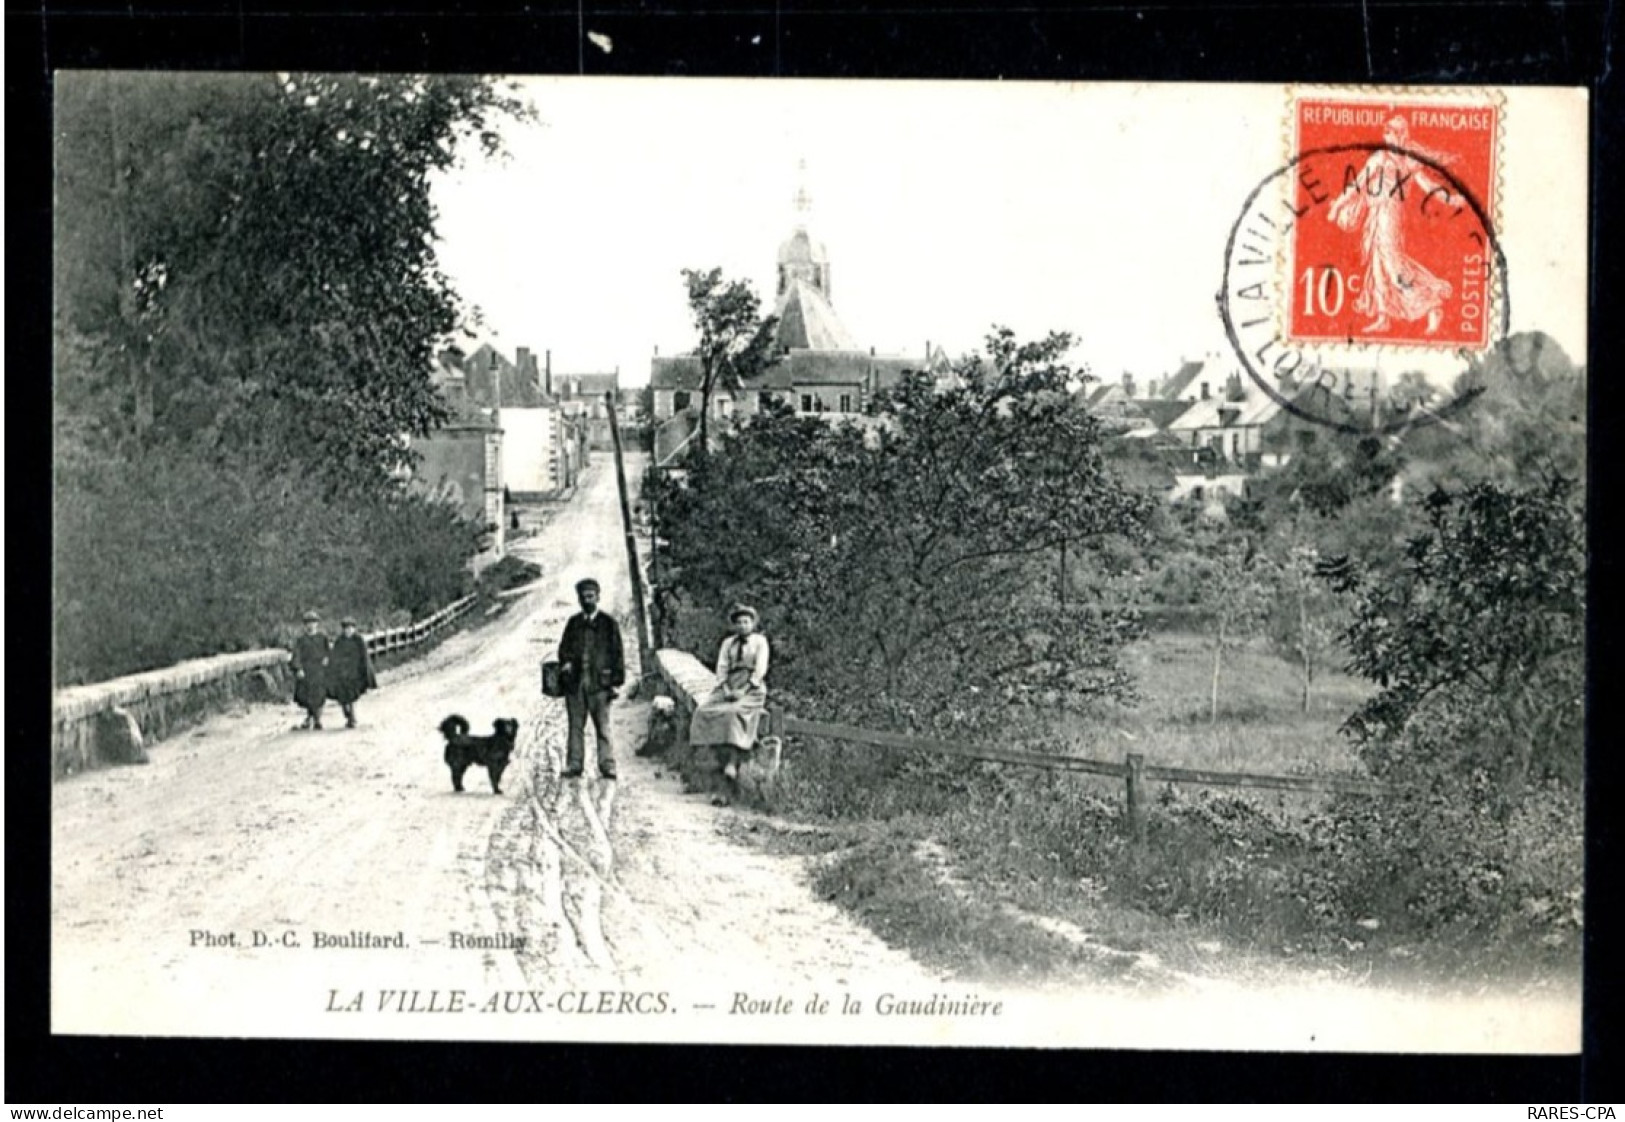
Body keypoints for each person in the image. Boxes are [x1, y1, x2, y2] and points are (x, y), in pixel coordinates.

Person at [1326, 115, 1454, 335]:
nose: (1389, 138)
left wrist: (1450, 199)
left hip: (1390, 215)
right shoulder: (1379, 159)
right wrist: (1338, 205)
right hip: (1376, 215)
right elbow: (1357, 185)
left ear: (1401, 135)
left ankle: (1431, 305)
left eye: (1393, 134)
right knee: (1377, 266)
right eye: (1387, 134)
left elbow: (1426, 184)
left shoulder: (1408, 160)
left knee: (1394, 266)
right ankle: (1383, 316)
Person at [688, 604, 770, 806]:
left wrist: (744, 689)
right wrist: (724, 689)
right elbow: (722, 667)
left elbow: (760, 669)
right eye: (739, 622)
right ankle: (709, 758)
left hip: (751, 687)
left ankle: (732, 762)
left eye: (747, 622)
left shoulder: (760, 642)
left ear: (753, 623)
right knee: (703, 711)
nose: (743, 626)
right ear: (734, 625)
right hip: (729, 684)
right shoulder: (728, 643)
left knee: (734, 714)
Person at [556, 578, 626, 779]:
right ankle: (574, 764)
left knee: (603, 727)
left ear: (598, 597)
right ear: (578, 599)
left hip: (600, 685)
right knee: (575, 727)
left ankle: (607, 765)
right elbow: (563, 650)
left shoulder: (608, 624)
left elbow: (617, 654)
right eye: (583, 597)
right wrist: (567, 662)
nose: (587, 601)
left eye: (590, 596)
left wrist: (615, 681)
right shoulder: (573, 624)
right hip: (576, 685)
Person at [326, 616, 377, 729]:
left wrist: (365, 672)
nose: (348, 631)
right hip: (342, 673)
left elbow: (364, 657)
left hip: (355, 672)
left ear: (354, 629)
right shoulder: (339, 641)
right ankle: (347, 712)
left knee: (352, 695)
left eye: (350, 628)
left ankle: (352, 717)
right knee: (342, 695)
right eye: (346, 628)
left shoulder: (359, 640)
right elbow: (334, 656)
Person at [290, 610, 331, 730]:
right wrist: (298, 668)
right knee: (307, 695)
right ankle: (310, 717)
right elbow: (296, 655)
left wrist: (327, 659)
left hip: (319, 670)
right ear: (304, 625)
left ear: (317, 624)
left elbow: (328, 652)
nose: (310, 625)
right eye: (308, 623)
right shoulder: (301, 640)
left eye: (313, 622)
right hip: (307, 670)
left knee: (319, 695)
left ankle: (317, 719)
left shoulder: (322, 638)